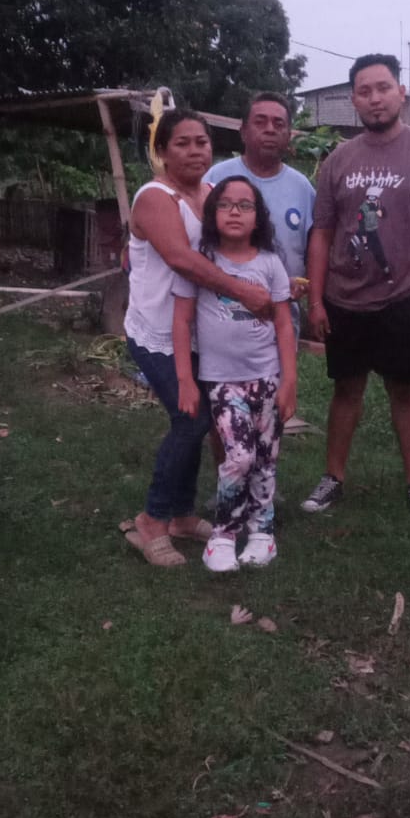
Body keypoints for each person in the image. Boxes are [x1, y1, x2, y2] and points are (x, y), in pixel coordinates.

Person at [302, 53, 410, 521]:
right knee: (346, 389)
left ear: (401, 93)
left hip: (404, 296)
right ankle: (332, 477)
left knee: (404, 391)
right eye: (364, 91)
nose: (375, 98)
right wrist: (316, 300)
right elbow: (322, 232)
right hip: (344, 298)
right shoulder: (338, 160)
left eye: (383, 88)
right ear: (353, 100)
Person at [123, 110, 274, 567]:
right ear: (162, 152)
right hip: (157, 333)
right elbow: (182, 260)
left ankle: (182, 516)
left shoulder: (208, 193)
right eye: (183, 143)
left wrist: (269, 280)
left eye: (202, 142)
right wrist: (244, 292)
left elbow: (227, 250)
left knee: (197, 419)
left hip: (196, 333)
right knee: (190, 420)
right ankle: (151, 520)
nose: (195, 151)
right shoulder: (154, 197)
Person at [171, 176, 297, 573]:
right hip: (222, 382)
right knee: (239, 457)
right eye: (225, 204)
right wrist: (185, 379)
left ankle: (262, 533)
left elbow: (284, 325)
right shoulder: (201, 263)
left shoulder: (270, 263)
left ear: (258, 216)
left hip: (268, 378)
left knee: (265, 459)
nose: (235, 212)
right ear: (212, 214)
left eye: (245, 205)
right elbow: (181, 321)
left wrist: (290, 381)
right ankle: (223, 535)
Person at [206, 92, 316, 334]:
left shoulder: (303, 188)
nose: (270, 129)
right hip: (221, 316)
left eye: (279, 124)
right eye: (260, 122)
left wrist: (307, 290)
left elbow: (313, 251)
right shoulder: (215, 178)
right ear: (243, 131)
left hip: (282, 318)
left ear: (289, 135)